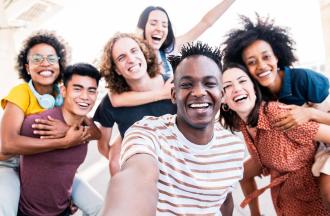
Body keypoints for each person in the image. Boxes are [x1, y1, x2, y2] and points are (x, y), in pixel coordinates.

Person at [100, 42, 245, 215]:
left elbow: (223, 198)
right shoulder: (146, 133)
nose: (199, 92)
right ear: (174, 95)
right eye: (186, 85)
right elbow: (137, 178)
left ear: (222, 95)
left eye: (209, 83)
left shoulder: (233, 148)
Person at [221, 14, 330, 210]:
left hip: (325, 137)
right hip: (306, 149)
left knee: (327, 188)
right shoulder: (258, 98)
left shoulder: (304, 79)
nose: (261, 66)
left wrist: (310, 114)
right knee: (242, 172)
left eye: (266, 57)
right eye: (252, 62)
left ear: (277, 56)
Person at [0, 31, 102, 216]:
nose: (45, 63)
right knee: (5, 210)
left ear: (59, 64)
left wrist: (68, 129)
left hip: (45, 163)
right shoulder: (21, 92)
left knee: (100, 206)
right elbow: (8, 145)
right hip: (10, 163)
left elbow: (95, 133)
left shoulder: (62, 95)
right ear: (27, 67)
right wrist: (63, 142)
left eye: (50, 58)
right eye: (37, 59)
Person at [109, 0, 236, 107]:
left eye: (165, 25)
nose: (160, 28)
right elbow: (115, 99)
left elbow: (205, 23)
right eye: (153, 23)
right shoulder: (133, 59)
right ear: (142, 27)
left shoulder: (169, 50)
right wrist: (162, 94)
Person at [17, 63, 101, 216]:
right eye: (77, 88)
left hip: (62, 210)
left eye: (91, 91)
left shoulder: (85, 127)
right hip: (28, 212)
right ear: (63, 91)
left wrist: (68, 195)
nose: (85, 96)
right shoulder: (41, 123)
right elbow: (5, 148)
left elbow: (97, 134)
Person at [93, 33, 176, 176]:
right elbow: (103, 147)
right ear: (117, 70)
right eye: (121, 57)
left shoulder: (171, 85)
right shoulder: (111, 103)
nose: (131, 59)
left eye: (134, 51)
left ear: (144, 54)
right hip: (146, 181)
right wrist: (123, 159)